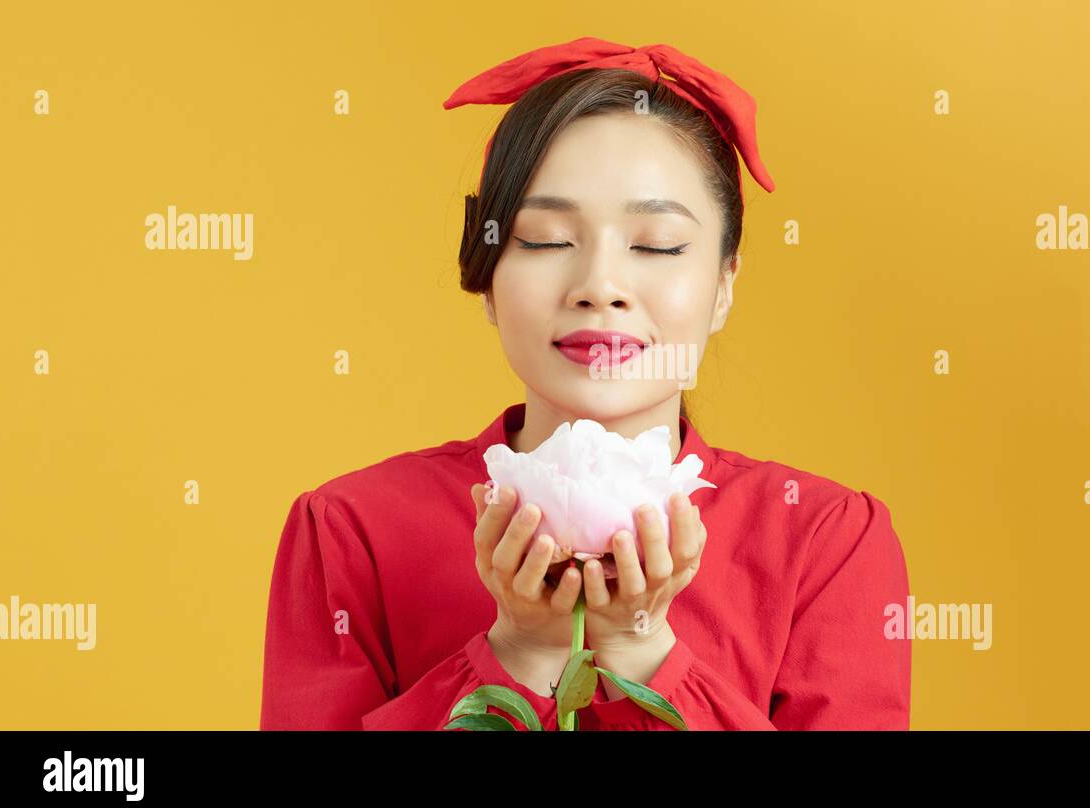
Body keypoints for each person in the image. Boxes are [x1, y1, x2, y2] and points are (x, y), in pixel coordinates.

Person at [260, 37, 910, 730]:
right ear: (485, 279)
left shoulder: (825, 543)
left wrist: (641, 647)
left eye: (656, 245)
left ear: (724, 285)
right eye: (544, 240)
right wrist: (518, 651)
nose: (600, 287)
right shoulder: (348, 531)